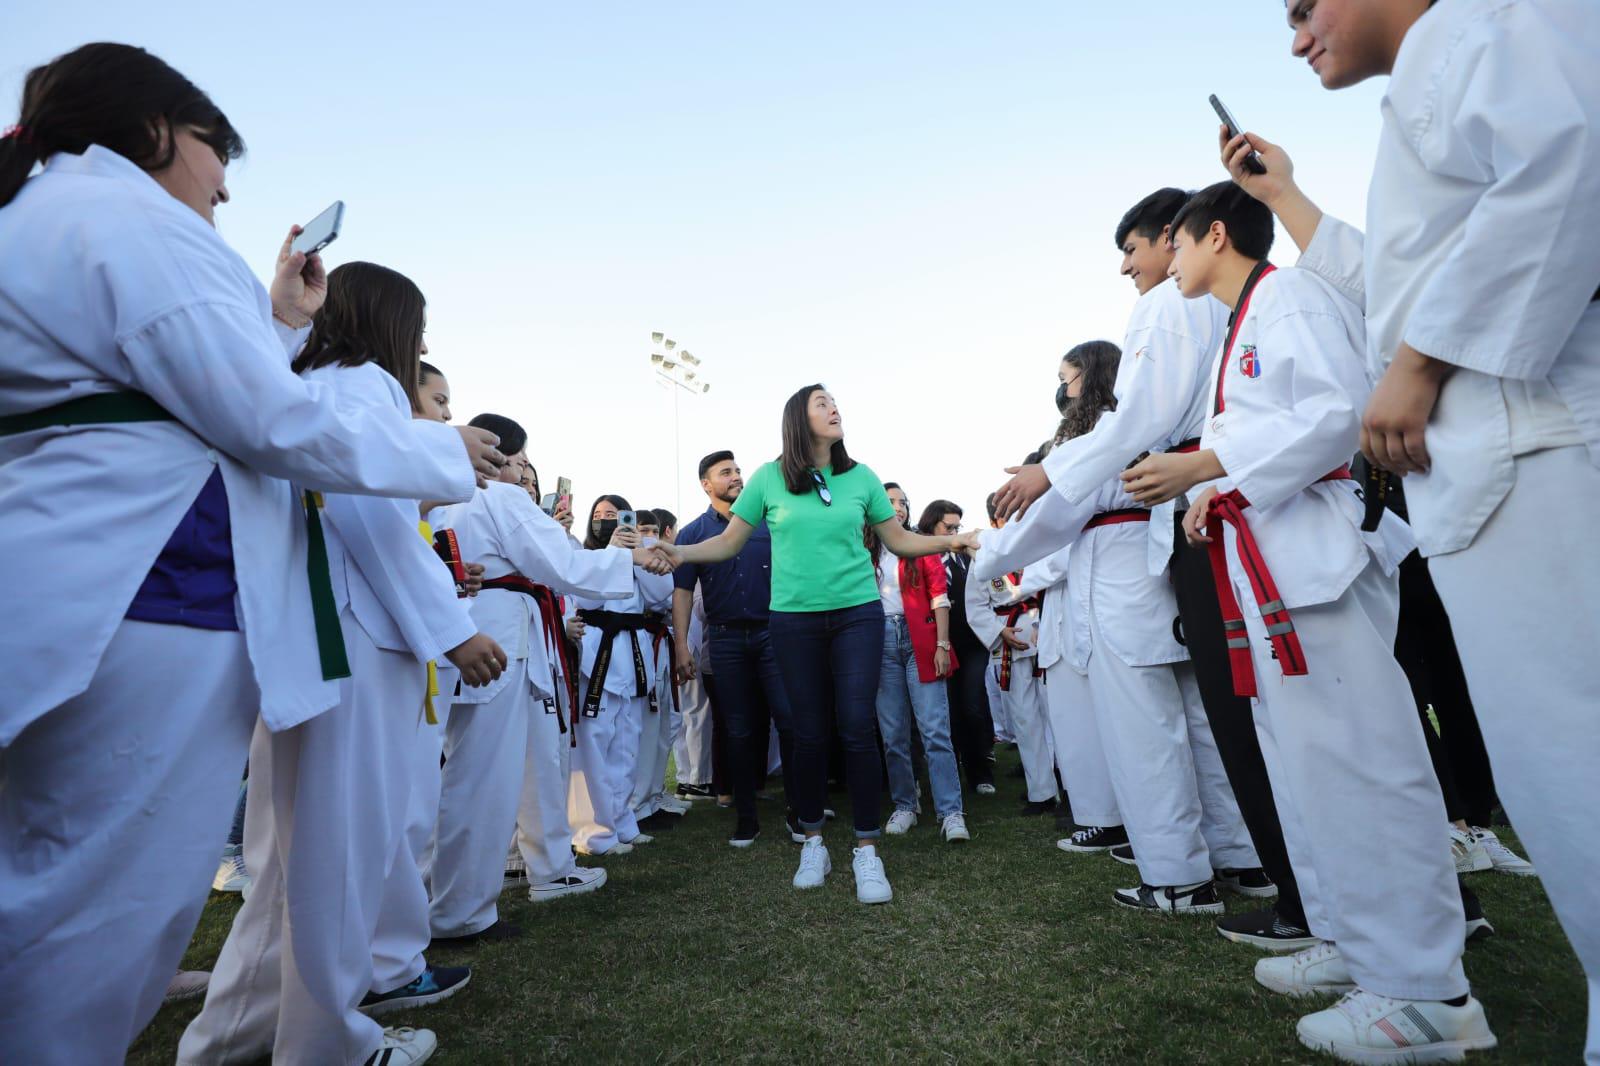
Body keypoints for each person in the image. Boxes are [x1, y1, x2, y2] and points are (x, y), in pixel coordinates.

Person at [0, 43, 503, 1066]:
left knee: (74, 890)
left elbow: (195, 386)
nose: (224, 189)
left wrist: (274, 317)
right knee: (98, 919)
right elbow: (267, 420)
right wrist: (442, 450)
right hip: (149, 600)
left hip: (111, 586)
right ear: (156, 133)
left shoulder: (59, 216)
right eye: (215, 155)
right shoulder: (132, 218)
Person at [1236, 3, 1599, 1058]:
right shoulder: (1441, 70)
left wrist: (1420, 363)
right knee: (1550, 766)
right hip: (1494, 462)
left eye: (1305, 7)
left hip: (1536, 444)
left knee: (1574, 754)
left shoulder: (1489, 21)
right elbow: (1396, 288)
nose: (1297, 37)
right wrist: (1285, 196)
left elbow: (1568, 162)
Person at [1120, 181, 1492, 1060]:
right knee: (1304, 772)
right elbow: (1271, 431)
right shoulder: (1243, 321)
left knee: (1362, 764)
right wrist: (1214, 487)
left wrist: (1204, 465)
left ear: (1215, 234)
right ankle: (1350, 938)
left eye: (1177, 242)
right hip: (1271, 568)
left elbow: (1335, 413)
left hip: (1316, 564)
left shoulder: (1289, 294)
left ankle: (1426, 989)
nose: (1168, 260)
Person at [181, 262, 508, 1066]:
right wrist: (451, 630)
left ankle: (235, 1036)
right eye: (417, 329)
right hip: (355, 637)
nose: (420, 346)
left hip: (317, 635)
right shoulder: (365, 384)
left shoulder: (305, 379)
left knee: (291, 857)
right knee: (340, 853)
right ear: (389, 323)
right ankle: (322, 1045)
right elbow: (371, 520)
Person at [991, 186, 1312, 950]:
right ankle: (1248, 858)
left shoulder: (1170, 304)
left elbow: (1138, 420)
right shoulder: (1226, 307)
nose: (1127, 269)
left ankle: (1179, 875)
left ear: (1172, 237)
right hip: (1199, 524)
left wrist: (1044, 477)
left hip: (1180, 528)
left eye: (1130, 250)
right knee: (1214, 717)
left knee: (1162, 727)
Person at [974, 340, 1263, 913]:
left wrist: (984, 550)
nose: (1062, 390)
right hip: (1163, 584)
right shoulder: (1149, 425)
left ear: (1088, 376)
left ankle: (1178, 878)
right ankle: (1240, 857)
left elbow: (1054, 516)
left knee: (1145, 738)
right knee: (1199, 728)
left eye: (1066, 378)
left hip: (1118, 590)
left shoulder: (1098, 437)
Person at [660, 386, 978, 904]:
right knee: (807, 733)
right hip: (793, 621)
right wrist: (680, 552)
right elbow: (729, 541)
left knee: (856, 728)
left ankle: (867, 851)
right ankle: (813, 843)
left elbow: (898, 540)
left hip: (858, 616)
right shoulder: (768, 478)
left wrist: (952, 540)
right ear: (798, 418)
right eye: (822, 403)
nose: (834, 409)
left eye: (835, 402)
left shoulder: (861, 476)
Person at [428, 418, 659, 932]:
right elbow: (563, 566)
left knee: (506, 766)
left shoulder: (437, 496)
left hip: (471, 636)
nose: (523, 471)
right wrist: (630, 559)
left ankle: (537, 868)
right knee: (484, 776)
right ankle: (459, 909)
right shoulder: (496, 496)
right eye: (521, 460)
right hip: (501, 645)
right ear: (501, 455)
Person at [672, 450, 798, 846]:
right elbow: (681, 592)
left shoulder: (770, 523)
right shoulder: (692, 534)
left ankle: (801, 810)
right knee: (737, 730)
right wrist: (681, 646)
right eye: (725, 472)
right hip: (724, 640)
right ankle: (746, 818)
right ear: (706, 484)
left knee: (789, 721)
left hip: (773, 634)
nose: (737, 476)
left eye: (738, 470)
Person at [568, 495, 676, 855]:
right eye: (598, 515)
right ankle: (593, 832)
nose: (605, 520)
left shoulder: (641, 554)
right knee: (595, 743)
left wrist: (638, 553)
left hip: (632, 652)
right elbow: (587, 600)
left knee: (628, 742)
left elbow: (661, 596)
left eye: (613, 515)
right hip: (597, 653)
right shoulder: (584, 556)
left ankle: (623, 822)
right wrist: (613, 555)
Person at [869, 509, 969, 843]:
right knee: (893, 735)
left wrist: (942, 644)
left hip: (922, 642)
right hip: (881, 642)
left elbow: (940, 597)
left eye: (903, 501)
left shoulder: (920, 544)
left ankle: (951, 811)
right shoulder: (862, 548)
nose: (897, 507)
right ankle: (905, 805)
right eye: (890, 500)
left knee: (935, 730)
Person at [964, 495, 1057, 817]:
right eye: (1007, 515)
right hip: (1009, 638)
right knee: (1025, 718)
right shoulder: (984, 554)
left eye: (1020, 512)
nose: (1017, 520)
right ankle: (1041, 792)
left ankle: (1071, 785)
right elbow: (975, 605)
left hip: (1046, 628)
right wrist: (999, 631)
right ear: (995, 522)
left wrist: (1046, 620)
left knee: (1059, 714)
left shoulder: (1043, 539)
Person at [924, 501, 997, 796]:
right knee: (950, 711)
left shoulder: (968, 556)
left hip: (973, 642)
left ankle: (981, 771)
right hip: (941, 643)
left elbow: (994, 590)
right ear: (932, 526)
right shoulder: (923, 556)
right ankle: (951, 773)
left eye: (958, 527)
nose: (955, 533)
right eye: (949, 527)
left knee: (973, 705)